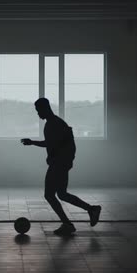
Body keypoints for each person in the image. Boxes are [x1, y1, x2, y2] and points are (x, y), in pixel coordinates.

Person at [21, 98, 101, 235]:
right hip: (61, 163)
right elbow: (60, 143)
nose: (38, 114)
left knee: (50, 195)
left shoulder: (54, 124)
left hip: (58, 164)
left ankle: (68, 223)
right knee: (62, 194)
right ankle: (90, 209)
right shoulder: (56, 123)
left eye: (38, 110)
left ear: (45, 108)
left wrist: (33, 143)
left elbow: (54, 144)